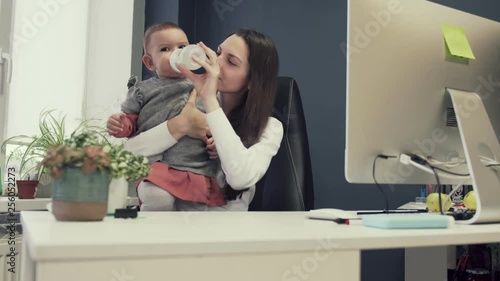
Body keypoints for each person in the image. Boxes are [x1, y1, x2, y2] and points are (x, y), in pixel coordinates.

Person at [114, 28, 284, 211]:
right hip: (168, 228)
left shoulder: (270, 128)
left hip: (223, 232)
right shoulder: (184, 99)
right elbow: (124, 158)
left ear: (252, 81)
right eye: (218, 53)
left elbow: (241, 178)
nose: (215, 62)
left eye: (231, 62)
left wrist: (210, 100)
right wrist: (181, 125)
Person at [107, 22, 226, 210]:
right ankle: (152, 236)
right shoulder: (143, 90)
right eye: (166, 49)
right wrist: (121, 125)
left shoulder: (203, 87)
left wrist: (215, 143)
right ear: (150, 62)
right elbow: (130, 121)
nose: (177, 53)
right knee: (158, 198)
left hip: (195, 166)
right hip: (157, 165)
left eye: (182, 47)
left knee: (195, 214)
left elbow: (214, 123)